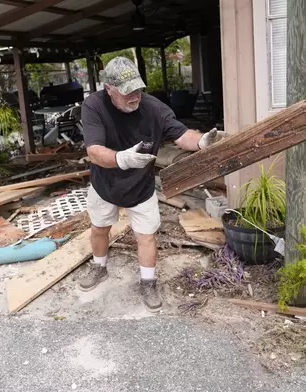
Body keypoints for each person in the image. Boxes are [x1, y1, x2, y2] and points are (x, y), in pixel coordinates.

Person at [79, 56, 227, 312]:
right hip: (105, 184)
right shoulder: (94, 106)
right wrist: (122, 158)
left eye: (138, 89)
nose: (135, 96)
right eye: (127, 92)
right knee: (100, 228)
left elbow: (183, 136)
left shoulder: (154, 108)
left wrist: (202, 141)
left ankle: (148, 282)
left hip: (141, 187)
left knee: (146, 237)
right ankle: (99, 266)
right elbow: (93, 151)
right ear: (109, 90)